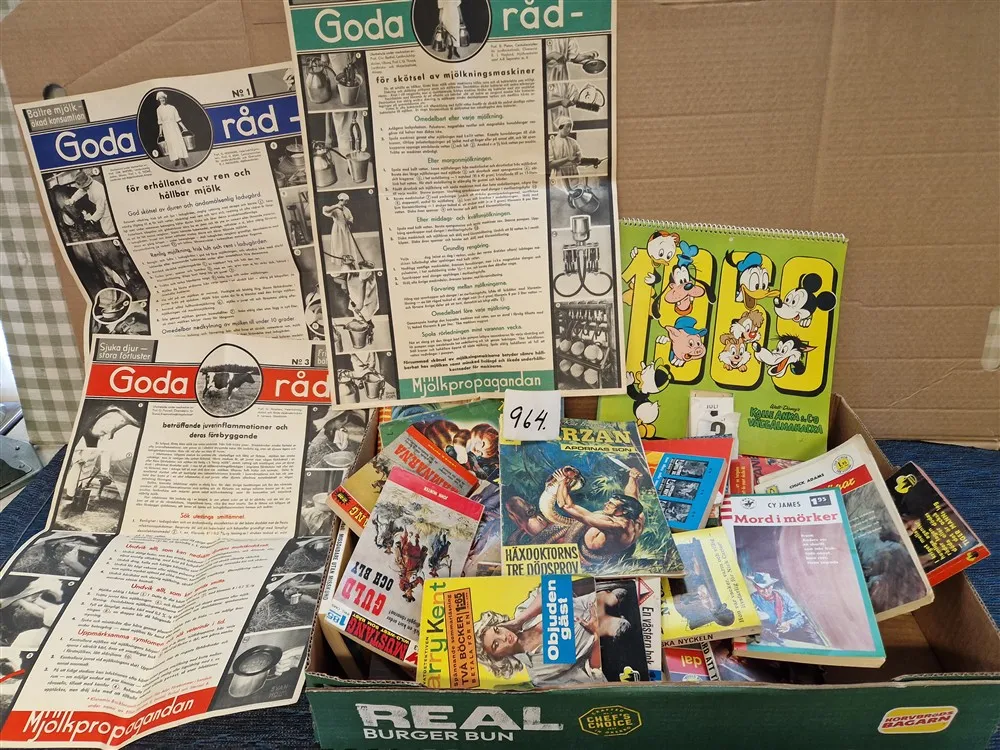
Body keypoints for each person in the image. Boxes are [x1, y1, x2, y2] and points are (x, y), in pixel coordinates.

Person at [473, 585, 625, 686]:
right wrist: (596, 634)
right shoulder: (539, 674)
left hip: (603, 597)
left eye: (497, 630)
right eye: (496, 644)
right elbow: (593, 673)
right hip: (610, 638)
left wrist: (519, 620)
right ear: (498, 658)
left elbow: (556, 588)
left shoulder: (522, 612)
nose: (503, 637)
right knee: (621, 627)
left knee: (618, 595)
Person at [504, 466, 646, 571]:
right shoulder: (637, 517)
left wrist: (562, 483)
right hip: (608, 550)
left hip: (582, 553)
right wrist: (632, 478)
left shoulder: (611, 525)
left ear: (622, 511)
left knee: (524, 514)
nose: (605, 504)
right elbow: (632, 496)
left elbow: (565, 505)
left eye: (611, 504)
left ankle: (524, 528)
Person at [747, 572, 824, 646]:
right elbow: (753, 621)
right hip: (774, 634)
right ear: (755, 587)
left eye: (768, 587)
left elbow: (800, 617)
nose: (766, 591)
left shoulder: (785, 597)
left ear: (772, 585)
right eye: (761, 588)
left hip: (797, 630)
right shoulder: (752, 599)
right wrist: (766, 631)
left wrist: (789, 624)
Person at [322, 193, 368, 272]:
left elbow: (351, 218)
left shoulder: (346, 210)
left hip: (346, 229)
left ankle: (348, 261)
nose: (346, 203)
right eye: (345, 201)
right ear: (341, 200)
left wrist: (349, 222)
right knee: (338, 245)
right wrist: (336, 206)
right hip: (337, 229)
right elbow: (325, 210)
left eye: (347, 201)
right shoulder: (335, 208)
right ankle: (341, 261)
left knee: (347, 244)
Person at [65, 171, 114, 236]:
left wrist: (91, 219)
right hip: (101, 206)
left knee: (109, 229)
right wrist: (72, 200)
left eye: (83, 187)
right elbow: (81, 191)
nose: (82, 188)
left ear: (86, 185)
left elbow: (100, 210)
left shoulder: (97, 192)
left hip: (107, 209)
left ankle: (112, 235)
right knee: (105, 226)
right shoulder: (89, 185)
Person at [154, 91, 190, 168]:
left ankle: (183, 159)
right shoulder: (158, 110)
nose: (162, 99)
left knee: (178, 142)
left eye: (163, 98)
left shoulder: (172, 107)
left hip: (174, 127)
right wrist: (160, 133)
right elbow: (160, 122)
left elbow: (177, 119)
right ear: (159, 100)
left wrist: (184, 127)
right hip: (166, 129)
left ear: (165, 98)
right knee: (170, 144)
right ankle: (176, 159)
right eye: (160, 98)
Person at [548, 115, 582, 180]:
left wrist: (578, 158)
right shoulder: (551, 143)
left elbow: (579, 159)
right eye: (567, 127)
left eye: (570, 127)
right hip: (558, 174)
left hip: (573, 173)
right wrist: (567, 159)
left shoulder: (573, 142)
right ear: (560, 127)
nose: (569, 129)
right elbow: (550, 164)